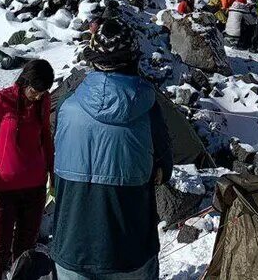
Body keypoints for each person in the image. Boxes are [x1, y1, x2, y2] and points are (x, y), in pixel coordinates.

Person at [52, 19, 173, 280]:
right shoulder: (148, 109)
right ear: (133, 60)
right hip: (129, 250)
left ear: (93, 60)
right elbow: (164, 169)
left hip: (71, 245)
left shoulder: (65, 106)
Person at [0, 60, 55, 280]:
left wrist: (52, 171)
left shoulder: (43, 101)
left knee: (26, 252)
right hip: (2, 190)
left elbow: (46, 136)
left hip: (35, 188)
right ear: (25, 82)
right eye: (35, 91)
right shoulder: (1, 100)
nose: (38, 96)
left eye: (43, 92)